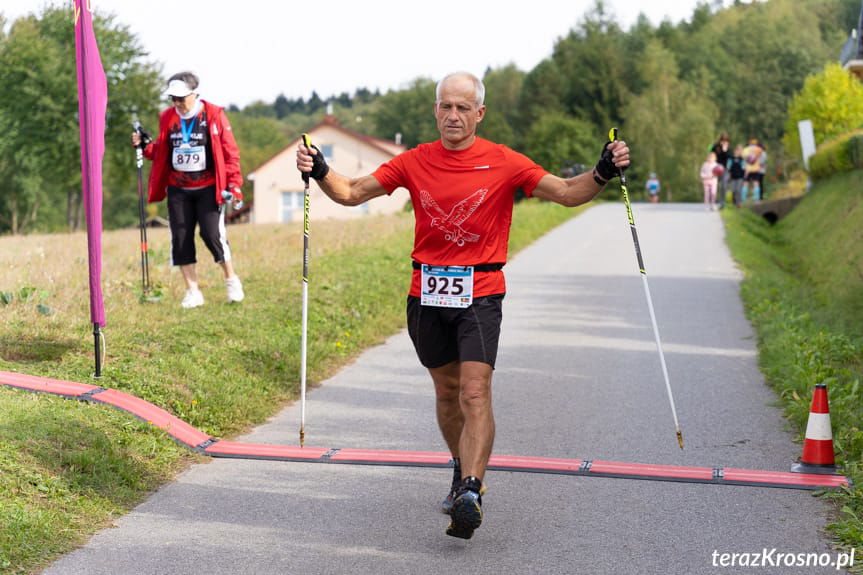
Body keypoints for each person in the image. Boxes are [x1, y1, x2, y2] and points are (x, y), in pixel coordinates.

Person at [296, 71, 630, 540]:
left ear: (480, 113)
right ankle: (459, 469)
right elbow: (351, 193)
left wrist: (601, 172)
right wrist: (320, 170)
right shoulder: (414, 161)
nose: (453, 116)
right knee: (447, 393)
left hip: (481, 291)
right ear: (436, 110)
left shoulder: (504, 161)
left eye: (462, 108)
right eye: (445, 107)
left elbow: (567, 193)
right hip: (426, 293)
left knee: (475, 391)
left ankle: (472, 489)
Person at [131, 72, 245, 308]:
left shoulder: (213, 115)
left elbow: (230, 154)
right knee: (181, 238)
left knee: (212, 234)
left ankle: (231, 279)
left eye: (181, 98)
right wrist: (144, 145)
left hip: (208, 189)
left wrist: (234, 186)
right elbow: (163, 151)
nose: (177, 104)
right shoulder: (167, 118)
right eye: (173, 98)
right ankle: (193, 291)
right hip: (178, 189)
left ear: (195, 94)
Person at [710, 132, 731, 208]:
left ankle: (722, 202)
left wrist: (725, 150)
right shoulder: (716, 146)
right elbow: (711, 153)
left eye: (726, 140)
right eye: (723, 140)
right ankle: (713, 201)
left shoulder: (728, 148)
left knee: (724, 185)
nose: (724, 141)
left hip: (725, 169)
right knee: (714, 185)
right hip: (716, 168)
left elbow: (729, 158)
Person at [741, 138, 764, 203]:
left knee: (745, 184)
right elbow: (761, 153)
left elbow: (743, 156)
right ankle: (756, 199)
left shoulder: (746, 149)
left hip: (748, 169)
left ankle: (743, 199)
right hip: (756, 169)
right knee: (756, 184)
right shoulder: (758, 149)